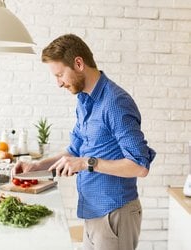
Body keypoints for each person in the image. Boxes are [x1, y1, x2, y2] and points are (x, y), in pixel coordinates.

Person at [12, 34, 156, 250]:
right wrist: (36, 167)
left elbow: (139, 166)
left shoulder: (115, 103)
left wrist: (86, 163)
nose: (58, 83)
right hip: (93, 212)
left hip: (114, 213)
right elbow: (74, 151)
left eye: (60, 74)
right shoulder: (84, 101)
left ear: (78, 63)